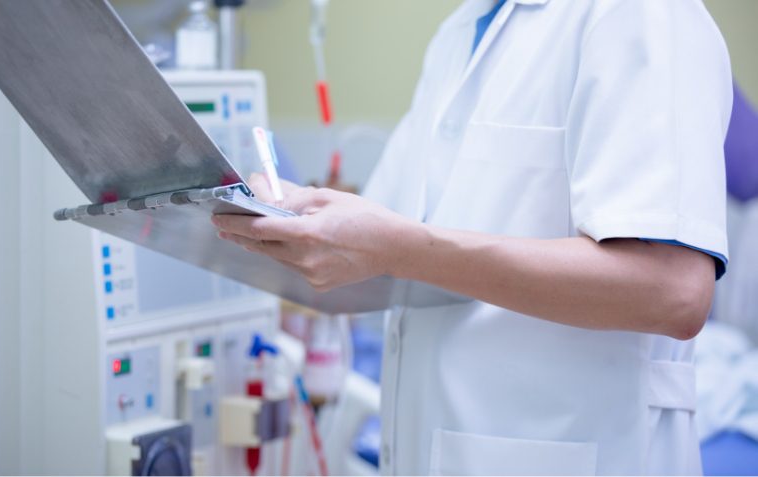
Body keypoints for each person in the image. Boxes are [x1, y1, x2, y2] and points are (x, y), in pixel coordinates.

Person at [212, 0, 733, 474]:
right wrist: (290, 219)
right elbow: (380, 248)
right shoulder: (460, 32)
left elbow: (672, 292)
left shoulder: (638, 13)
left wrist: (397, 248)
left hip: (580, 451)